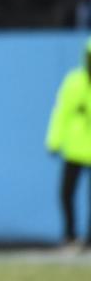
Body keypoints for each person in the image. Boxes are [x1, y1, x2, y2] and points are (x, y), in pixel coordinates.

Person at [46, 37, 91, 248]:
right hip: (75, 148)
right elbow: (61, 112)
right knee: (66, 193)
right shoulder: (74, 82)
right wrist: (54, 140)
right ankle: (70, 234)